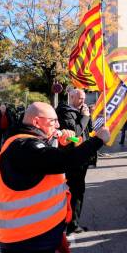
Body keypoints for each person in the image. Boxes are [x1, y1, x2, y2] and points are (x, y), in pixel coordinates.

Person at [0, 102, 109, 253]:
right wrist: (98, 140)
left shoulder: (28, 142)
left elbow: (50, 160)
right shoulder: (22, 146)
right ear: (36, 122)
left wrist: (63, 144)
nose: (58, 125)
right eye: (53, 122)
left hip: (32, 242)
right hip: (27, 244)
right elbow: (59, 161)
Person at [55, 89, 92, 235]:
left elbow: (86, 131)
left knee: (77, 191)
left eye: (84, 98)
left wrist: (88, 116)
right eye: (80, 98)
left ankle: (71, 222)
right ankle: (71, 224)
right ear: (71, 97)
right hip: (72, 158)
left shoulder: (77, 111)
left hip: (81, 157)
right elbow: (74, 133)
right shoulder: (65, 111)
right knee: (75, 192)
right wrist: (85, 117)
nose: (83, 101)